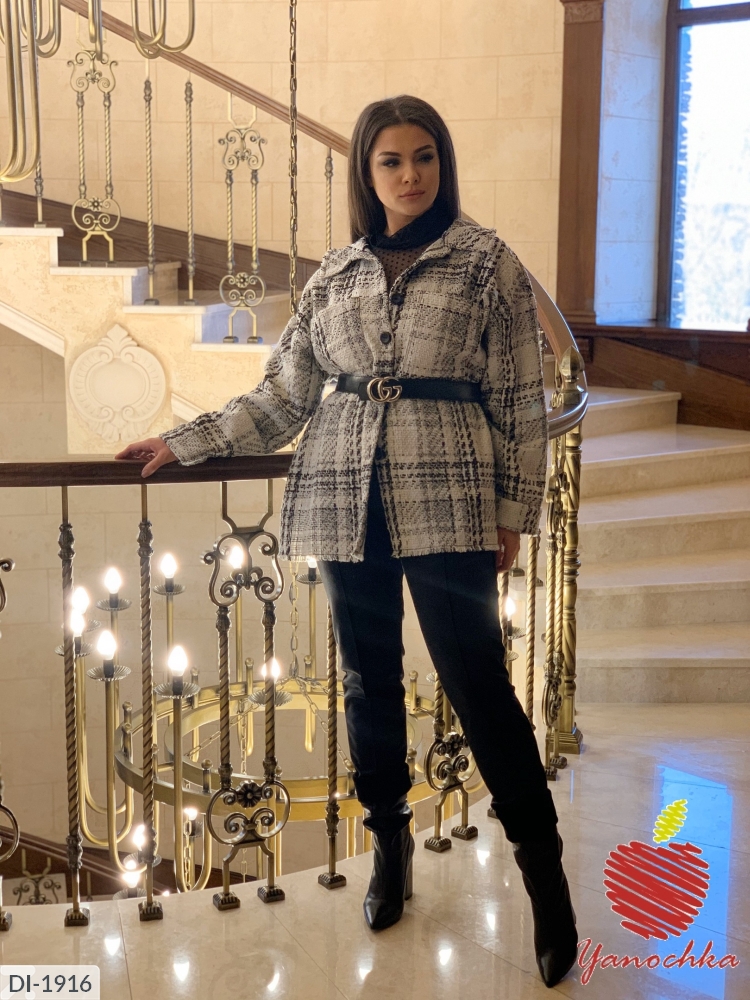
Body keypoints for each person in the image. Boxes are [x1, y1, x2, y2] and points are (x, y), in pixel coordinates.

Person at [116, 95, 578, 988]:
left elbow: (521, 400)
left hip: (450, 496)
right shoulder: (333, 276)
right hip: (341, 494)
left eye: (424, 157)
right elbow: (283, 396)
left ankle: (547, 882)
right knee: (367, 685)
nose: (410, 175)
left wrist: (514, 511)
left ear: (443, 163)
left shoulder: (487, 261)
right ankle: (389, 851)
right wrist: (187, 439)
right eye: (390, 161)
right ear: (367, 173)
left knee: (479, 686)